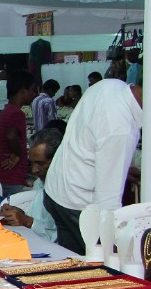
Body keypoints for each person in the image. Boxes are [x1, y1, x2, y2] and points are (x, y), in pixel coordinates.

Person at [44, 78, 143, 254]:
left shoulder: (110, 85)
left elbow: (89, 141)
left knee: (72, 265)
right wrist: (115, 250)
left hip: (57, 188)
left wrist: (120, 168)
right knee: (99, 268)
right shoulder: (120, 128)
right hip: (79, 204)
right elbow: (108, 203)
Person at [0, 127, 63, 242]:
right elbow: (40, 219)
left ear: (56, 160)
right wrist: (20, 213)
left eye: (40, 164)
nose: (34, 170)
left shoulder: (67, 190)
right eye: (32, 164)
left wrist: (27, 221)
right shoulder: (40, 183)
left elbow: (62, 237)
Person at [0, 70, 36, 199]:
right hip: (13, 176)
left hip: (0, 174)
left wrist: (4, 147)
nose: (35, 94)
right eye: (33, 90)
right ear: (23, 91)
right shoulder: (17, 113)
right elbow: (11, 136)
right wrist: (18, 154)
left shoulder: (6, 111)